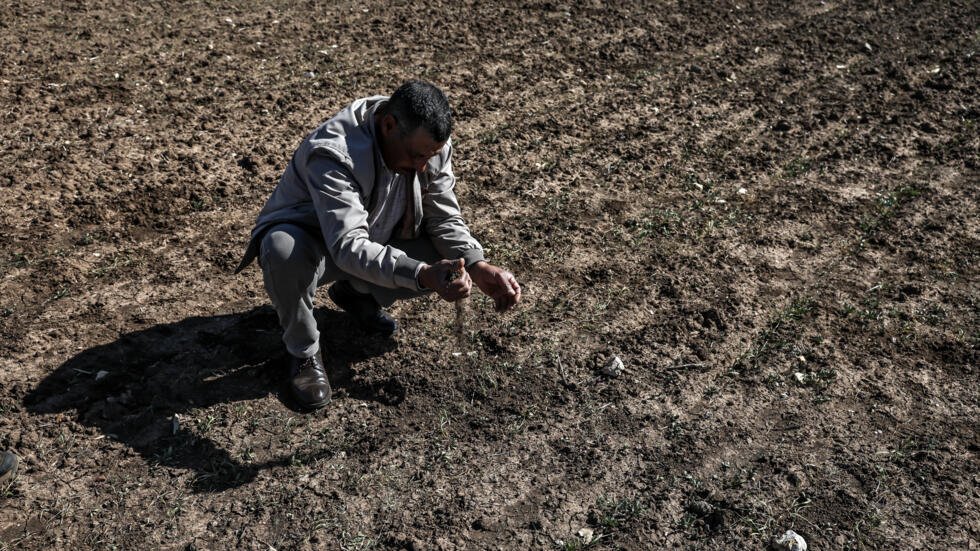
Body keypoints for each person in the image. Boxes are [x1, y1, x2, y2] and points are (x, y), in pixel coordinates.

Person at [236, 81, 521, 409]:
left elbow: (443, 217)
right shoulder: (333, 152)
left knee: (450, 260)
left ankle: (356, 293)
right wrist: (421, 273)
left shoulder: (424, 142)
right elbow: (348, 245)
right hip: (319, 245)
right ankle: (304, 352)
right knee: (281, 249)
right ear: (388, 126)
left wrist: (476, 264)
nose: (422, 167)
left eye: (431, 156)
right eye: (417, 156)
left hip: (374, 234)